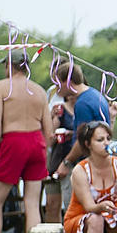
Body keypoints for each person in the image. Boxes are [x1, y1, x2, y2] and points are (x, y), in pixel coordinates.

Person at [0, 48, 52, 233]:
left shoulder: (1, 87)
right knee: (32, 202)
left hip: (13, 141)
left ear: (9, 66)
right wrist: (43, 149)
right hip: (36, 142)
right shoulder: (40, 91)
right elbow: (48, 131)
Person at [54, 63, 111, 192]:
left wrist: (66, 163)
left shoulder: (82, 104)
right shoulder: (96, 95)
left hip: (87, 165)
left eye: (58, 84)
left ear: (67, 82)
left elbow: (83, 141)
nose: (57, 89)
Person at [44, 92, 76, 223]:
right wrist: (52, 117)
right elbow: (49, 140)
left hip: (74, 161)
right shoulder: (60, 109)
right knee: (52, 205)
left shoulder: (84, 108)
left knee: (71, 204)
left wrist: (72, 134)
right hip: (56, 160)